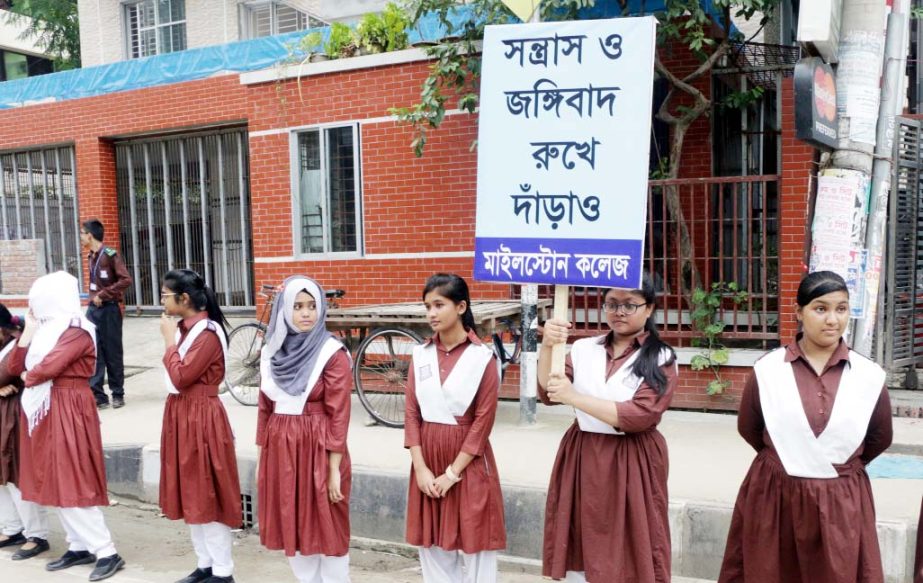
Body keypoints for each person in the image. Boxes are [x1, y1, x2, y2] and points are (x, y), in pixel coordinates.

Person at [718, 270, 893, 583]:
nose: (832, 320)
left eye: (841, 309)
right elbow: (750, 428)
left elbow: (879, 438)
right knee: (771, 570)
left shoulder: (868, 376)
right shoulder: (768, 370)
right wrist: (793, 456)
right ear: (799, 312)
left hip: (840, 498)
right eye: (820, 308)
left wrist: (830, 464)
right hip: (775, 494)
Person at [538, 274, 677, 583]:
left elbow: (640, 414)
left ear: (649, 309)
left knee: (634, 536)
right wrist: (548, 346)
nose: (620, 312)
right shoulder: (584, 348)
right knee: (581, 528)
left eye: (630, 305)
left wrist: (575, 397)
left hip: (632, 456)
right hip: (583, 451)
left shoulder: (661, 356)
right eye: (612, 304)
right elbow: (549, 391)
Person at [8, 271, 124, 580]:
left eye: (37, 301)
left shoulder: (77, 329)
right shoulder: (46, 330)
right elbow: (15, 368)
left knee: (73, 479)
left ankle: (106, 551)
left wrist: (27, 376)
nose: (33, 307)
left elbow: (44, 369)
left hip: (68, 406)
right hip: (49, 408)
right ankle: (78, 545)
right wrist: (27, 335)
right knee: (56, 479)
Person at [404, 273, 506, 583]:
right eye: (427, 306)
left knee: (476, 548)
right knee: (433, 549)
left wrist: (451, 474)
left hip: (468, 464)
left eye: (439, 305)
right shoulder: (419, 354)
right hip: (427, 459)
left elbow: (481, 425)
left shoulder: (483, 358)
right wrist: (420, 468)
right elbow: (411, 414)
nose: (431, 313)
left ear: (461, 307)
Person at [256, 276, 353, 583]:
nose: (306, 313)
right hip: (281, 448)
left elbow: (339, 413)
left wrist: (334, 466)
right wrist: (261, 459)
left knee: (329, 528)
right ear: (285, 310)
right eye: (297, 307)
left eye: (312, 306)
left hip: (320, 446)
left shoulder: (332, 353)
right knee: (293, 526)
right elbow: (264, 409)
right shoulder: (272, 351)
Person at [159, 269, 241, 583]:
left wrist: (168, 342)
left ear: (184, 298)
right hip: (182, 414)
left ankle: (223, 571)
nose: (163, 301)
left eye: (166, 295)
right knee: (192, 492)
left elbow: (181, 376)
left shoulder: (206, 333)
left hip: (202, 416)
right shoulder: (185, 328)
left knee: (208, 493)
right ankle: (204, 564)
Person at [0, 303, 50, 561]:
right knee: (2, 478)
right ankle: (11, 528)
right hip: (3, 416)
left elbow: (6, 373)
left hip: (14, 419)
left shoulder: (18, 346)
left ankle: (37, 535)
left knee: (18, 476)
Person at [80, 218, 132, 410]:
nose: (81, 237)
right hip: (93, 310)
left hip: (109, 309)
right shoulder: (90, 256)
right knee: (94, 351)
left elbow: (126, 280)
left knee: (113, 351)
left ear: (90, 235)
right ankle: (98, 395)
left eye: (82, 233)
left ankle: (117, 393)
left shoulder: (110, 255)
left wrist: (104, 294)